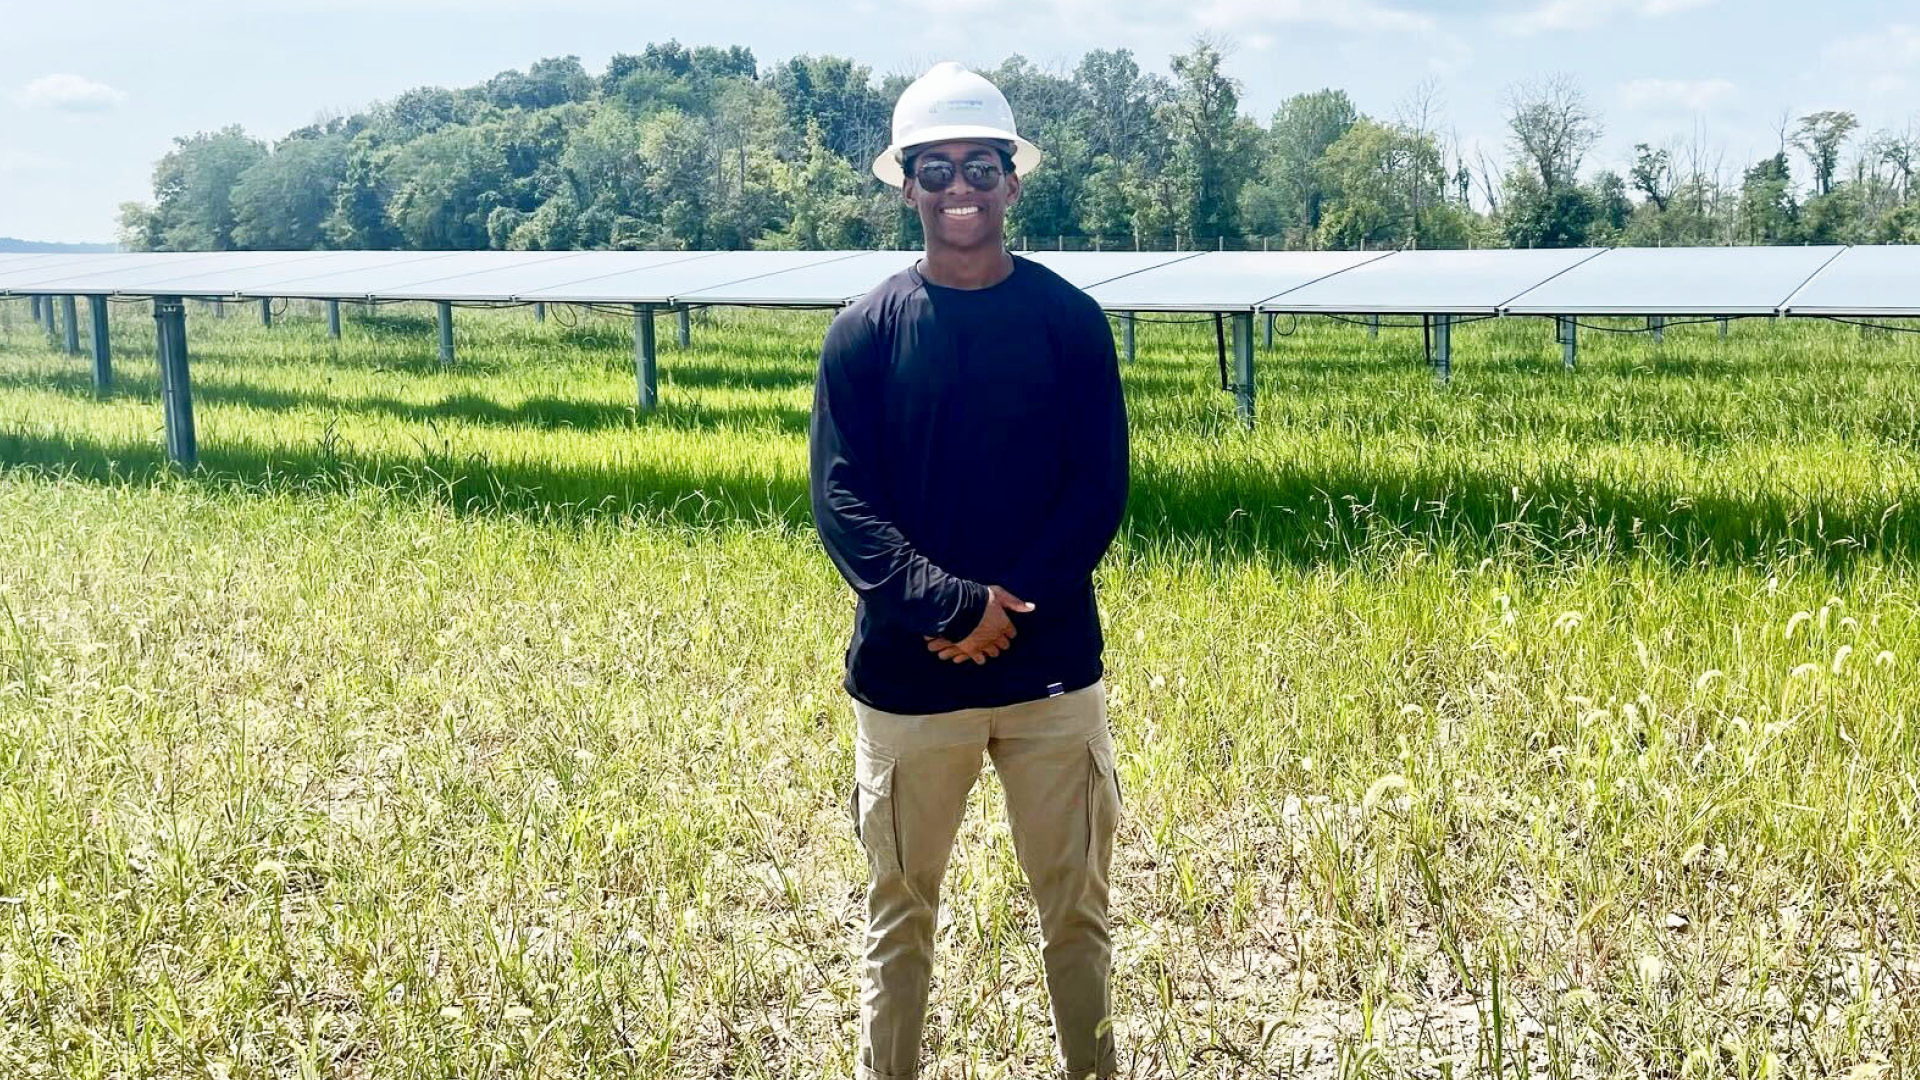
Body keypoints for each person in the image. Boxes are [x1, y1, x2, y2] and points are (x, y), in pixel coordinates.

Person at [807, 61, 1131, 1080]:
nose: (961, 185)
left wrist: (1010, 612)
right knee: (899, 922)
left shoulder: (1069, 323)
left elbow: (1096, 490)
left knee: (1077, 915)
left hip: (1049, 684)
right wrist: (949, 606)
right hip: (912, 683)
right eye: (936, 166)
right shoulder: (864, 333)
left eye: (980, 165)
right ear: (905, 185)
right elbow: (843, 502)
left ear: (1012, 180)